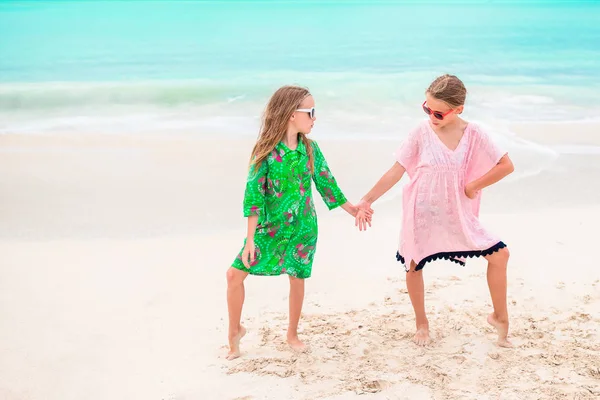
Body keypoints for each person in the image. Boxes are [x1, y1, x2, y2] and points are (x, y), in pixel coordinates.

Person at [356, 74, 514, 347]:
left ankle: (500, 316)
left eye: (438, 112)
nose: (431, 115)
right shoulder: (421, 132)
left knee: (500, 255)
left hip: (458, 213)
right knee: (414, 264)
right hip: (422, 211)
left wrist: (474, 185)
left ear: (458, 110)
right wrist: (367, 200)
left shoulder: (474, 133)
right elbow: (397, 170)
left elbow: (505, 165)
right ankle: (422, 323)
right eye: (426, 108)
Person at [226, 85, 372, 360]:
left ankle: (292, 333)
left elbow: (327, 183)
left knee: (297, 277)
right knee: (234, 275)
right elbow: (253, 197)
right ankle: (234, 331)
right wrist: (249, 239)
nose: (315, 118)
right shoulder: (266, 151)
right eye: (310, 112)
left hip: (303, 226)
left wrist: (353, 210)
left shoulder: (310, 149)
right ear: (292, 114)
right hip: (269, 228)